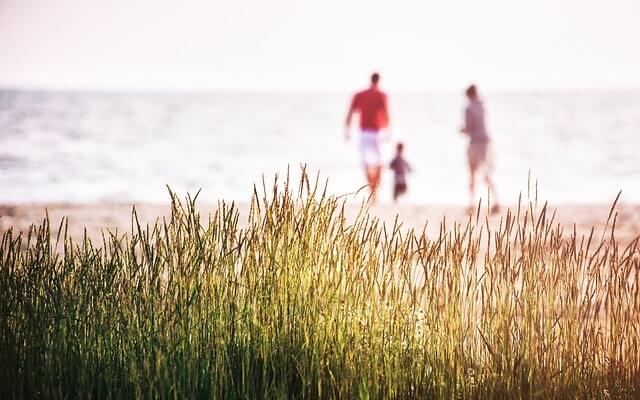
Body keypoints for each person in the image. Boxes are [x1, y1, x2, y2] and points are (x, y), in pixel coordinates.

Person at [345, 72, 389, 204]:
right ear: (378, 80)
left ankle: (372, 190)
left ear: (370, 80)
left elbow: (350, 113)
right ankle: (375, 191)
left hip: (364, 133)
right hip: (377, 132)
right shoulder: (382, 95)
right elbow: (386, 113)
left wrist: (347, 129)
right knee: (378, 164)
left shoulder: (360, 95)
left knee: (367, 163)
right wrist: (388, 130)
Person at [460, 84, 499, 214]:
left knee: (472, 173)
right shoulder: (483, 106)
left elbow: (469, 128)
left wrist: (461, 130)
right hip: (486, 141)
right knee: (486, 173)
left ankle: (472, 203)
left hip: (475, 142)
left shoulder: (468, 108)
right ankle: (496, 200)